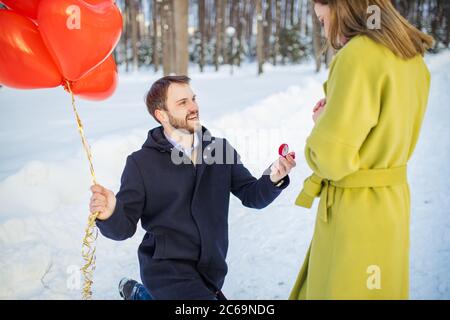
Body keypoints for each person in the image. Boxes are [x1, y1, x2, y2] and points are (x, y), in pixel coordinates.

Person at [89, 76, 296, 300]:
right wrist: (110, 213)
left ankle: (141, 295)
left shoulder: (219, 149)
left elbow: (252, 195)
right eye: (182, 103)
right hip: (166, 270)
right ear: (162, 115)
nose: (194, 107)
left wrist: (273, 176)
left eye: (193, 99)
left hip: (211, 268)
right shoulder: (140, 163)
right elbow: (123, 228)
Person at [289, 0, 433, 300]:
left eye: (322, 18)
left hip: (356, 209)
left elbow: (331, 158)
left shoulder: (357, 56)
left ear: (342, 8)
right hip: (392, 204)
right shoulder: (411, 58)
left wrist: (321, 123)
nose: (324, 28)